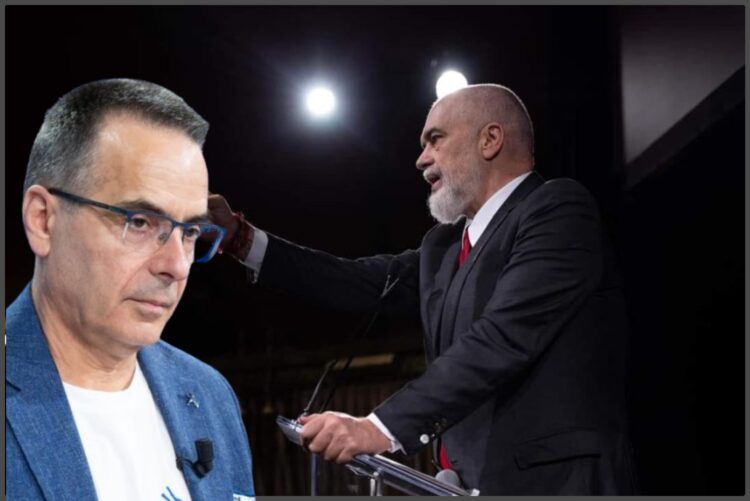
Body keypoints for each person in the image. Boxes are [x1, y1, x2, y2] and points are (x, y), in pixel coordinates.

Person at [210, 84, 638, 495]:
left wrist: (377, 427)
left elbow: (503, 338)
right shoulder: (444, 247)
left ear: (489, 140)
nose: (420, 159)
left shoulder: (558, 209)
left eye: (435, 139)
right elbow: (353, 281)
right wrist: (242, 240)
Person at [6, 79, 255, 501]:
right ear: (43, 220)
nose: (176, 266)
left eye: (190, 232)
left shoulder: (211, 395)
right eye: (139, 222)